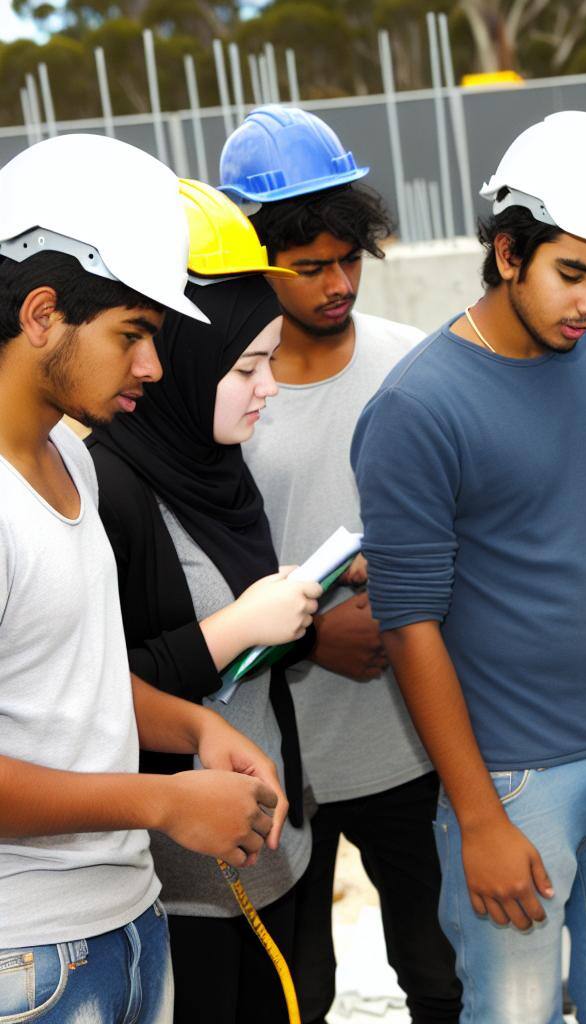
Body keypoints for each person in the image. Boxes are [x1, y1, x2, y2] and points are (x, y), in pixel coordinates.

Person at [351, 111, 586, 1024]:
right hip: (513, 782)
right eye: (570, 274)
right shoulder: (417, 410)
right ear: (507, 251)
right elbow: (407, 624)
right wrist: (479, 819)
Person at [0, 135, 288, 1023]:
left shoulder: (71, 464)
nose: (153, 368)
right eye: (132, 335)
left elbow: (68, 682)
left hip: (127, 924)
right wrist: (162, 800)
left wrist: (191, 725)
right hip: (27, 956)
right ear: (43, 312)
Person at [220, 105, 460, 1023]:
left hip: (410, 741)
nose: (335, 284)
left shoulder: (413, 369)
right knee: (295, 994)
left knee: (444, 974)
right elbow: (199, 573)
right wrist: (313, 635)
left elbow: (462, 533)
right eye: (308, 266)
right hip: (277, 762)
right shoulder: (225, 396)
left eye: (348, 259)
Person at [88, 187, 322, 1024]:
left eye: (271, 362)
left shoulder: (215, 465)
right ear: (184, 357)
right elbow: (97, 692)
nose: (267, 390)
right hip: (183, 879)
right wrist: (235, 628)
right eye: (246, 368)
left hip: (266, 849)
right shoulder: (108, 487)